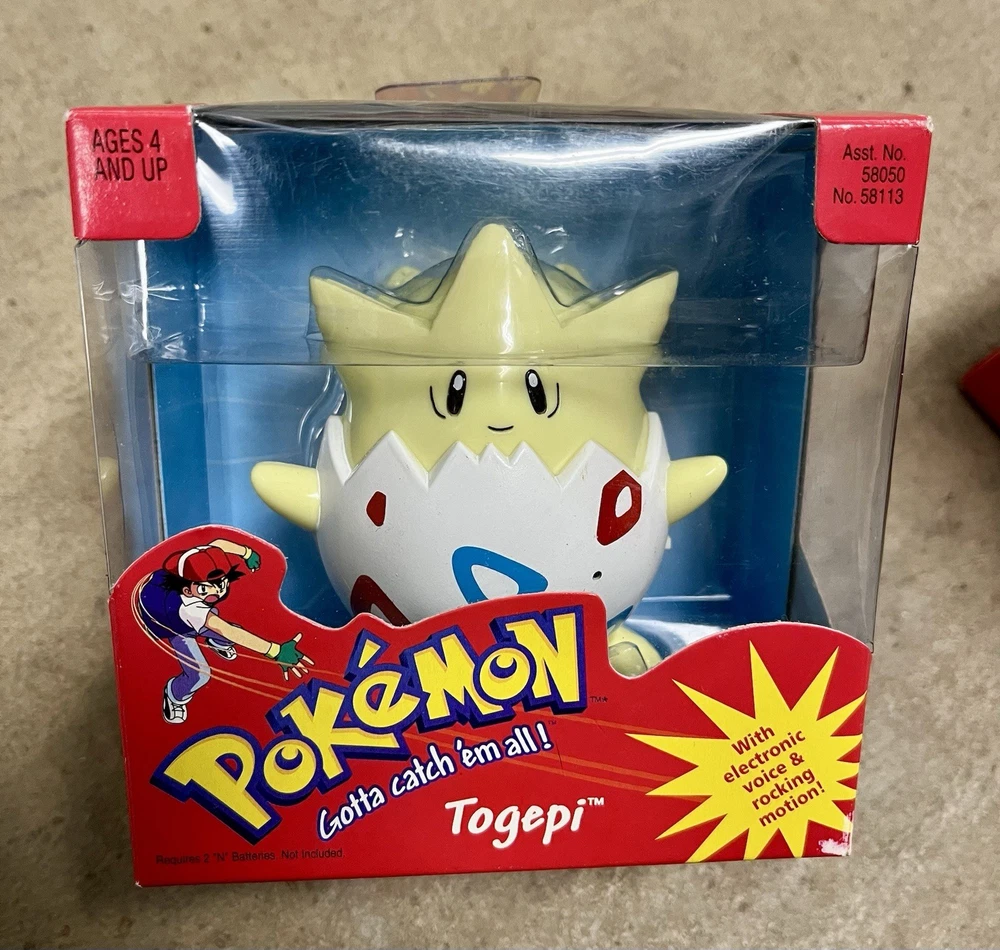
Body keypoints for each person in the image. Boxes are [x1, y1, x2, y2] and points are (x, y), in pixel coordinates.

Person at [136, 538, 312, 723]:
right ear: (188, 590)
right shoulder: (190, 609)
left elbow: (219, 543)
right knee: (199, 674)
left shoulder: (200, 557)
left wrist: (246, 553)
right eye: (207, 587)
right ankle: (174, 695)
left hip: (182, 607)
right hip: (173, 626)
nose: (218, 591)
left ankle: (215, 642)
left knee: (223, 626)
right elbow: (225, 629)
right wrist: (275, 651)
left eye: (222, 583)